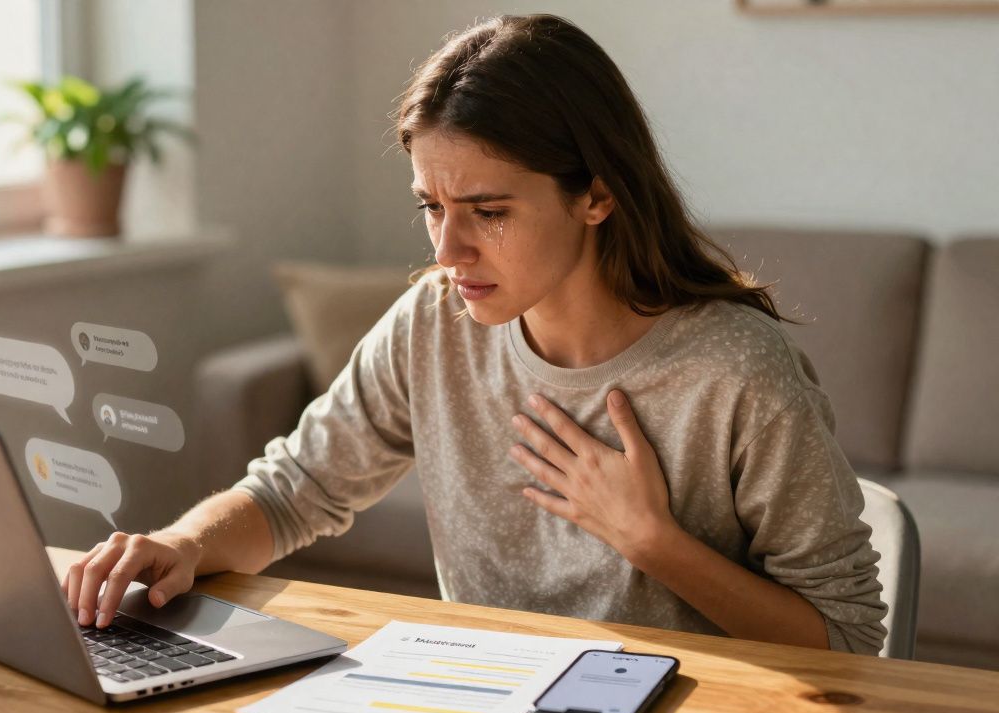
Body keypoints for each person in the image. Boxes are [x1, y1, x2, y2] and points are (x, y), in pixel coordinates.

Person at [62, 14, 887, 654]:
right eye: (432, 206)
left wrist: (653, 542)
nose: (448, 252)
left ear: (596, 196)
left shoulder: (736, 369)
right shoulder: (435, 323)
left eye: (488, 212)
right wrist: (180, 543)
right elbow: (294, 491)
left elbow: (847, 640)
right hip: (482, 704)